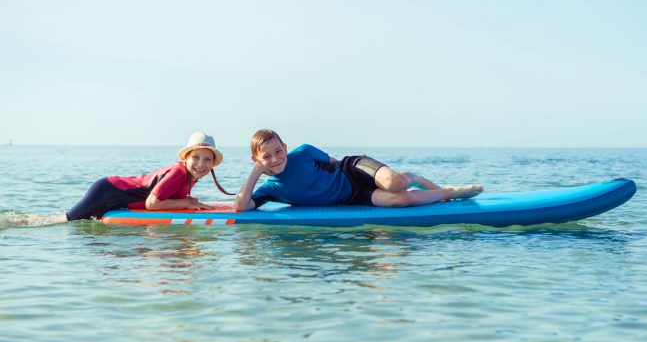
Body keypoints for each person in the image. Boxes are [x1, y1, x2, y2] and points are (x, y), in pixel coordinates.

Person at [234, 129, 483, 211]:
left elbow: (332, 162)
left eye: (278, 151)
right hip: (352, 196)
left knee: (396, 183)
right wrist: (256, 173)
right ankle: (449, 193)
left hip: (352, 169)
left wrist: (359, 169)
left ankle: (413, 176)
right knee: (401, 199)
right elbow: (241, 207)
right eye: (266, 156)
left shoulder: (303, 152)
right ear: (256, 159)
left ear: (285, 147)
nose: (276, 158)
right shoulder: (271, 189)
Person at [64, 132, 230, 221]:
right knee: (68, 221)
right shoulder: (179, 172)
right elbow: (151, 204)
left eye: (207, 159)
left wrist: (186, 201)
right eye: (196, 157)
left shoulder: (189, 176)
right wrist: (185, 202)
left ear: (213, 164)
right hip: (107, 191)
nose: (201, 164)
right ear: (185, 159)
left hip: (115, 197)